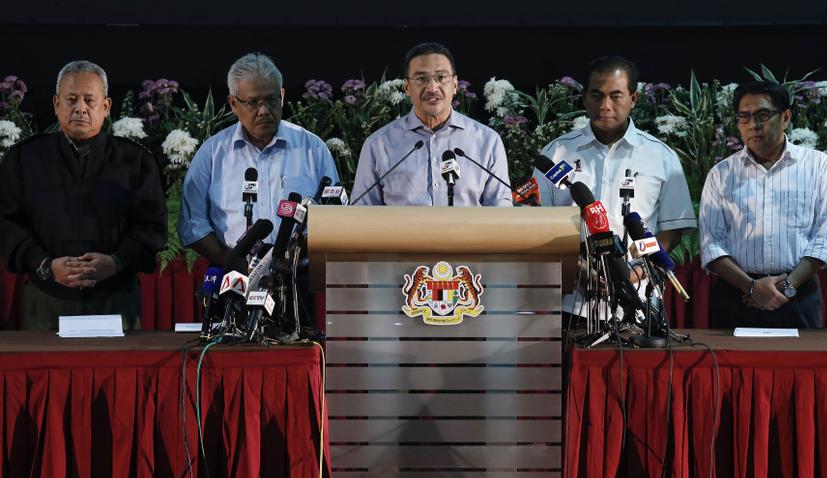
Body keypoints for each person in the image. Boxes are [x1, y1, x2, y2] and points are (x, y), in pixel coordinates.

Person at [0, 60, 167, 330]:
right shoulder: (23, 160)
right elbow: (8, 226)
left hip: (117, 300)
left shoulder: (135, 161)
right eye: (71, 99)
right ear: (56, 104)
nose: (81, 108)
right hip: (45, 299)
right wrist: (46, 265)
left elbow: (152, 229)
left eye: (90, 100)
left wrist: (115, 262)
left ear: (106, 107)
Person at [533, 56, 696, 316]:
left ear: (633, 99)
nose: (605, 105)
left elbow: (672, 229)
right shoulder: (557, 153)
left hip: (639, 302)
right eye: (596, 95)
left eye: (616, 96)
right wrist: (579, 270)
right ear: (584, 98)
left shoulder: (660, 157)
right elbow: (537, 226)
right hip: (572, 303)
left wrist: (636, 271)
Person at [700, 81, 827, 328]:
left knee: (800, 367)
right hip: (737, 295)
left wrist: (788, 286)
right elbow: (712, 244)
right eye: (745, 116)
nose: (753, 124)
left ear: (785, 118)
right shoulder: (721, 173)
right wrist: (752, 287)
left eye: (763, 115)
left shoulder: (817, 165)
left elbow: (826, 238)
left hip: (798, 294)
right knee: (730, 367)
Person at [178, 52, 339, 266]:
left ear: (282, 96)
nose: (264, 111)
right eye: (253, 103)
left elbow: (334, 216)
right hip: (233, 277)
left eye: (271, 100)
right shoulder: (212, 153)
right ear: (233, 103)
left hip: (297, 278)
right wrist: (230, 260)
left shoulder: (312, 148)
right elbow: (192, 224)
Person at [351, 42, 511, 206]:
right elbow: (360, 215)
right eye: (421, 79)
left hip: (466, 233)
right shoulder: (378, 145)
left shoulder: (488, 141)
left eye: (441, 78)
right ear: (407, 87)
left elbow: (501, 214)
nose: (433, 87)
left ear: (454, 84)